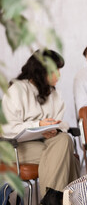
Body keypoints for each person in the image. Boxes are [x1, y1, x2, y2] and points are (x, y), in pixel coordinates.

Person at [1, 49, 80, 198]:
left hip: (44, 143)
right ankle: (67, 200)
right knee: (67, 155)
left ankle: (53, 200)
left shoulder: (54, 93)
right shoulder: (17, 90)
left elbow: (62, 123)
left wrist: (53, 130)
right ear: (40, 71)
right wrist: (38, 125)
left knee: (63, 139)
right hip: (15, 147)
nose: (59, 75)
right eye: (54, 70)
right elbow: (7, 129)